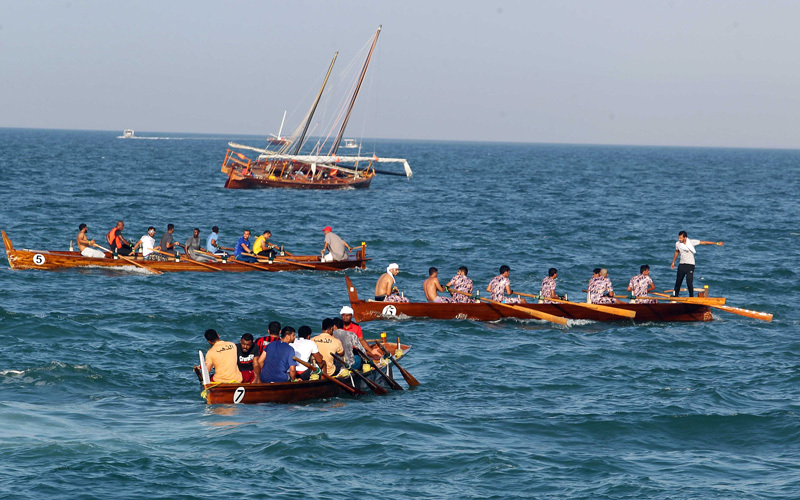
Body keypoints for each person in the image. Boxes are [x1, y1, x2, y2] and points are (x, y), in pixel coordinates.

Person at [671, 230, 723, 297]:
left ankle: (691, 297)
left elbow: (704, 242)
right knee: (678, 281)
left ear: (685, 237)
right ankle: (676, 296)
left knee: (689, 282)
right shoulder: (677, 244)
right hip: (681, 264)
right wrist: (673, 262)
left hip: (690, 264)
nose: (679, 239)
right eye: (679, 238)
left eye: (681, 238)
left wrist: (716, 243)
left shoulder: (691, 242)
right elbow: (677, 252)